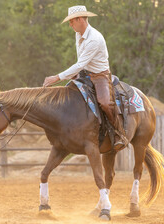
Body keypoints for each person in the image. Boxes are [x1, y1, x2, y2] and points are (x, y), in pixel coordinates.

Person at [43, 5, 126, 151]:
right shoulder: (78, 34)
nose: (70, 24)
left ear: (80, 19)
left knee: (105, 103)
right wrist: (75, 73)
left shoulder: (94, 38)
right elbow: (81, 61)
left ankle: (119, 132)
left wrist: (57, 77)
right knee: (68, 94)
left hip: (100, 76)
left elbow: (80, 63)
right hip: (86, 72)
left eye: (71, 21)